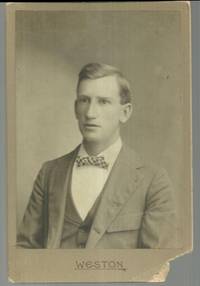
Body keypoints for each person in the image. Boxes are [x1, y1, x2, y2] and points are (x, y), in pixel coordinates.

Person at [17, 62, 177, 249]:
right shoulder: (49, 173)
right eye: (84, 100)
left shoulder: (153, 181)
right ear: (76, 108)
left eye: (103, 101)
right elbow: (25, 254)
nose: (91, 113)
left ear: (125, 113)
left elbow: (155, 267)